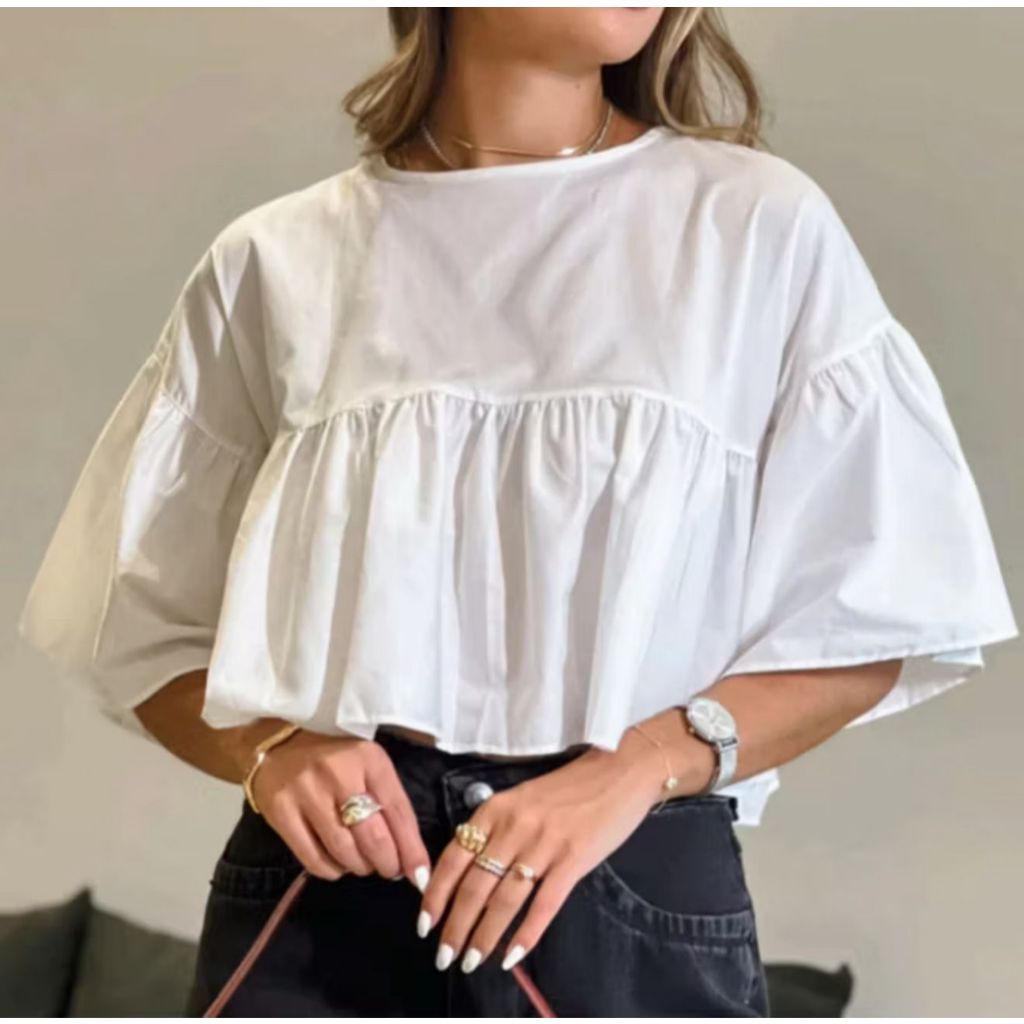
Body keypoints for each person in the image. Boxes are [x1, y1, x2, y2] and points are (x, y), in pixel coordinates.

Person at [16, 8, 1018, 1018]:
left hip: (623, 871)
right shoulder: (278, 260)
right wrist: (270, 749)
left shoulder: (755, 227)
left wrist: (639, 767)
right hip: (336, 889)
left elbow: (880, 613)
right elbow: (135, 621)